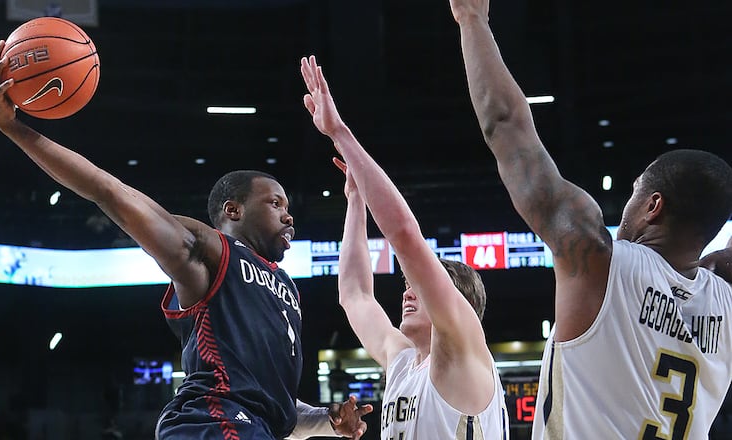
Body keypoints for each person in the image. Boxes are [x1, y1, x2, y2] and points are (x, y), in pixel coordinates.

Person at [0, 40, 371, 440]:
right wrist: (17, 130)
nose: (289, 215)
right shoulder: (212, 253)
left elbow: (278, 408)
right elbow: (109, 190)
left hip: (251, 427)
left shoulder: (286, 288)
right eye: (275, 203)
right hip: (210, 421)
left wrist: (329, 419)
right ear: (233, 211)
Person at [447, 0, 732, 438]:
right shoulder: (726, 303)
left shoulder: (600, 260)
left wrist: (472, 19)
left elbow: (506, 126)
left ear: (653, 205)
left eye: (636, 190)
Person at [300, 55, 510, 439]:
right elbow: (355, 295)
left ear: (454, 300)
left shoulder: (461, 347)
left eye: (418, 284)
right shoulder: (402, 362)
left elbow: (405, 237)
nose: (408, 291)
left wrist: (340, 134)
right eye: (407, 286)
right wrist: (354, 202)